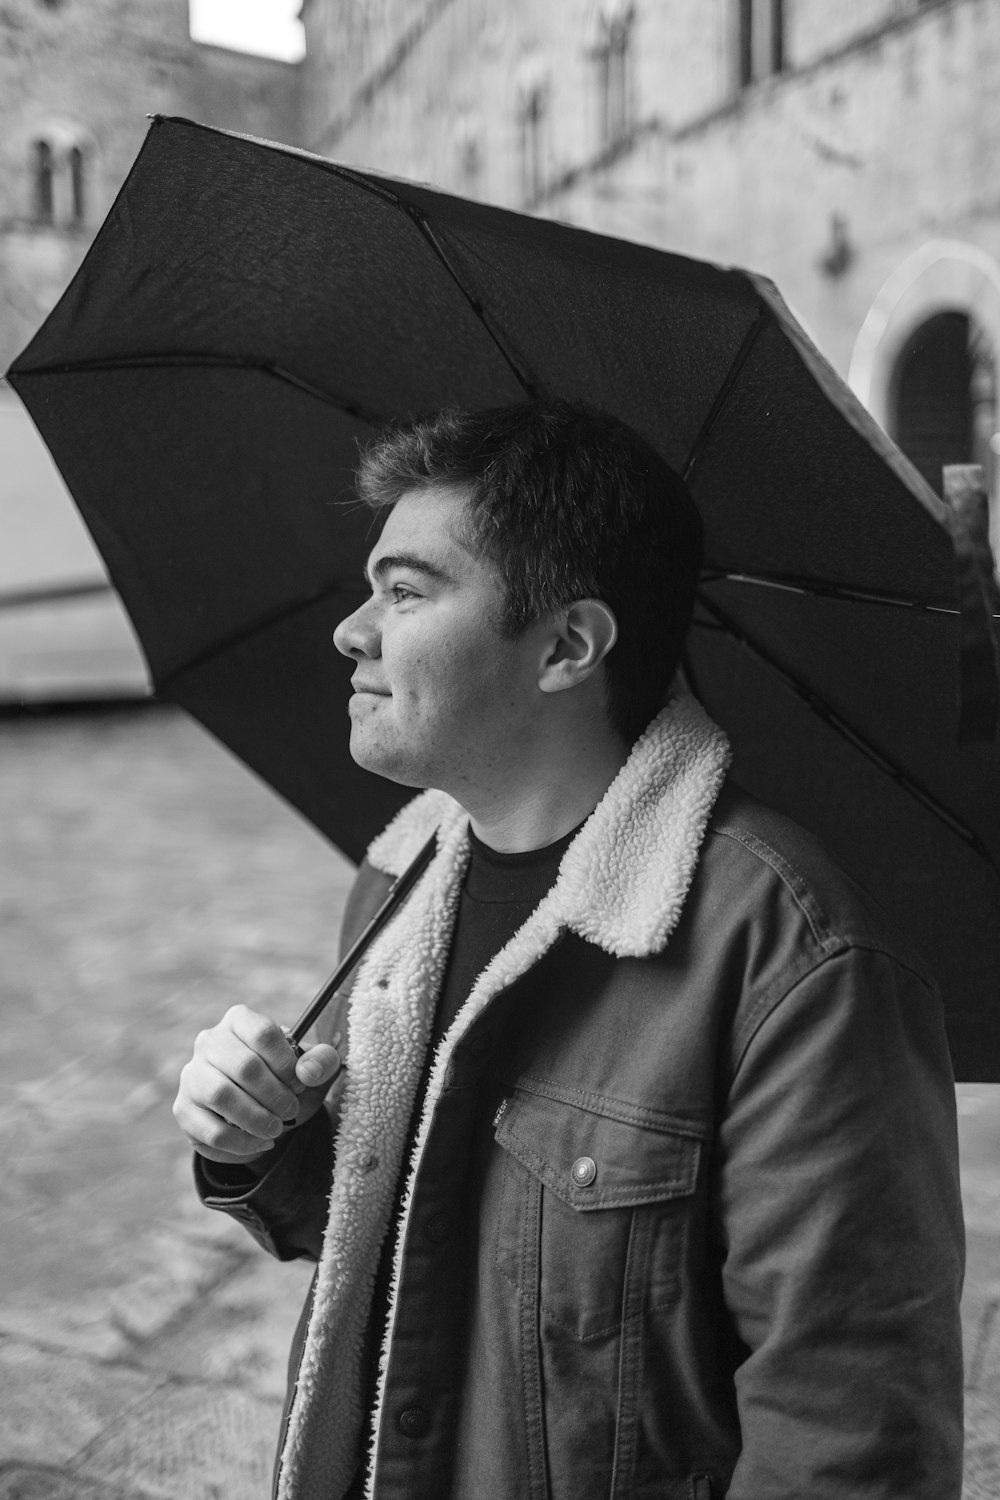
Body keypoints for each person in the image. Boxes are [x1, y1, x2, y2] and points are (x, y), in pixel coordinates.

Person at [173, 400, 965, 1500]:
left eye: (403, 592)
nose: (352, 631)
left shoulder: (792, 954)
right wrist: (266, 1148)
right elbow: (407, 1243)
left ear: (566, 646)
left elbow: (847, 1428)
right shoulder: (398, 881)